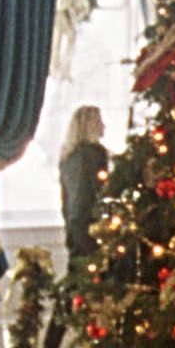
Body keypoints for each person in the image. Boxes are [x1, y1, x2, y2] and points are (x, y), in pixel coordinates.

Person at [59, 105, 110, 262]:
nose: (104, 125)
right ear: (89, 125)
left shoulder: (68, 156)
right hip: (89, 224)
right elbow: (92, 192)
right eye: (99, 121)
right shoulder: (92, 154)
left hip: (73, 223)